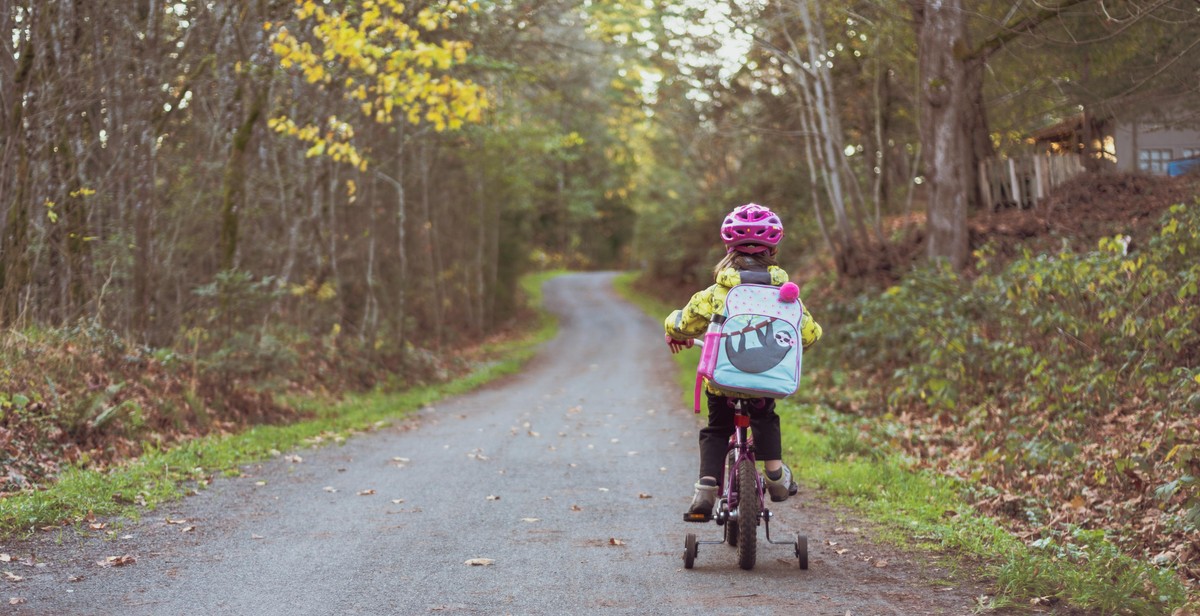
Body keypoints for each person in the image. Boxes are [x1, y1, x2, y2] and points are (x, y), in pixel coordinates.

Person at [663, 203, 822, 520]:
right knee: (766, 418)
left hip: (723, 384)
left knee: (716, 429)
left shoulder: (717, 292)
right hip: (765, 383)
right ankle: (775, 475)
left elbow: (685, 322)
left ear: (727, 247)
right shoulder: (785, 294)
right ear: (773, 250)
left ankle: (706, 490)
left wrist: (672, 328)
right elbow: (809, 333)